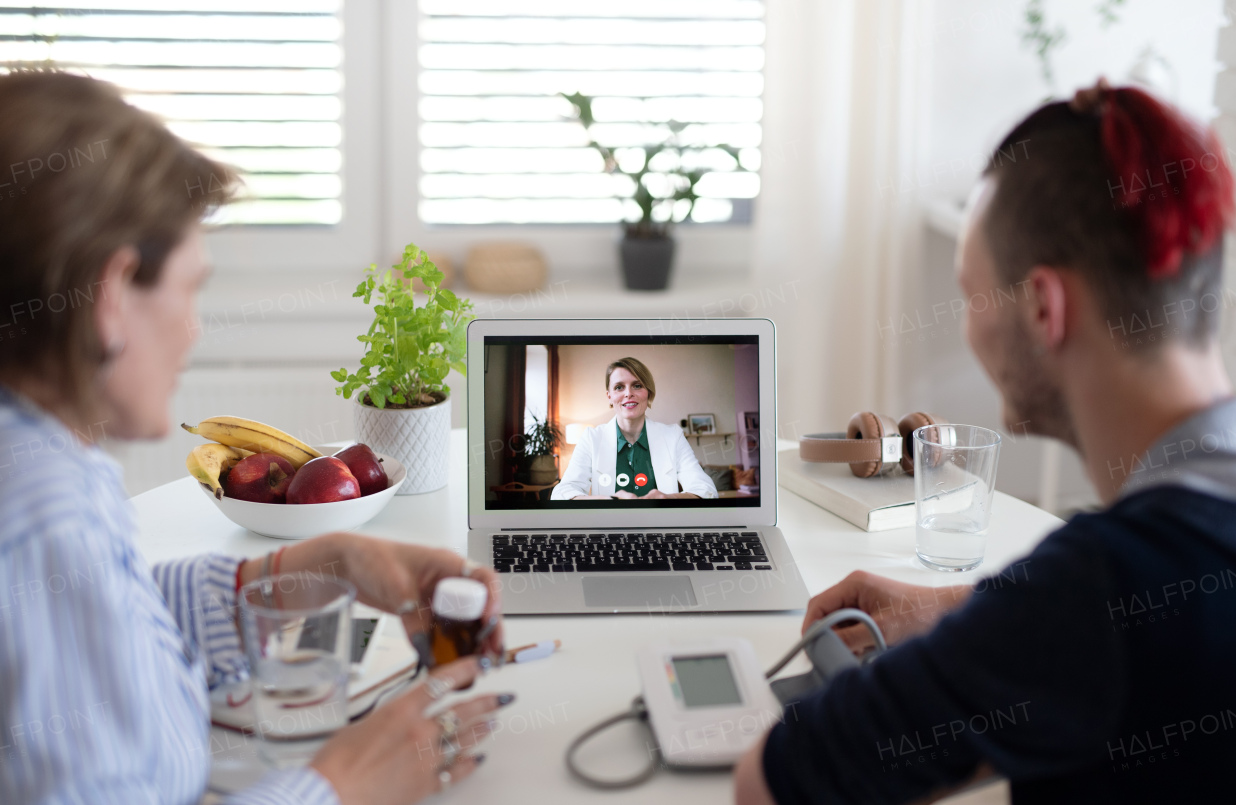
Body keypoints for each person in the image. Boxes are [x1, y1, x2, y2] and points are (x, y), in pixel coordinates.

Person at [735, 80, 1236, 803]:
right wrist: (958, 610)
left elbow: (773, 779)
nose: (968, 327)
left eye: (970, 294)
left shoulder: (1095, 590)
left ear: (1045, 308)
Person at [0, 71, 509, 805]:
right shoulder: (43, 519)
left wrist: (314, 567)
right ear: (111, 295)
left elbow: (110, 629)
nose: (191, 329)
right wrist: (344, 784)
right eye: (190, 288)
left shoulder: (48, 466)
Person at [551, 356, 718, 500]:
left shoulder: (673, 435)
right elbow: (561, 493)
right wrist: (609, 500)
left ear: (649, 393)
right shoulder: (591, 438)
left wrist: (667, 498)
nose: (628, 393)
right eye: (619, 387)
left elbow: (706, 490)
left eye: (637, 385)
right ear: (609, 397)